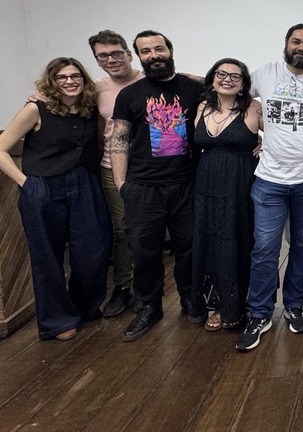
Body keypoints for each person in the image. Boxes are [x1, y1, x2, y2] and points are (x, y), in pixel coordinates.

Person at [238, 24, 303, 351]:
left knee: (301, 245)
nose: (301, 47)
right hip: (270, 180)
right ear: (286, 45)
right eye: (296, 42)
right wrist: (249, 134)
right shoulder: (265, 74)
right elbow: (234, 97)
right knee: (264, 247)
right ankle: (260, 313)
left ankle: (294, 306)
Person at [0, 58, 112, 340]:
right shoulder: (35, 108)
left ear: (83, 80)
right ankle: (58, 321)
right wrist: (25, 182)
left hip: (85, 183)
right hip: (44, 188)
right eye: (61, 78)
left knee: (94, 251)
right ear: (51, 82)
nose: (69, 82)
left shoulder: (88, 107)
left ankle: (84, 307)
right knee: (47, 257)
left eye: (75, 76)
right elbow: (1, 149)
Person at [111, 30, 204, 342]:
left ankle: (191, 298)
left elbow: (230, 104)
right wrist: (122, 183)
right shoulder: (129, 95)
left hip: (187, 184)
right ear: (139, 57)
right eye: (146, 51)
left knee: (189, 247)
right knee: (144, 250)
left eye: (158, 48)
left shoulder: (195, 88)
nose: (153, 55)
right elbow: (120, 139)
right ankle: (149, 305)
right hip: (143, 187)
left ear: (170, 49)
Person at [191, 59, 262, 332]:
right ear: (212, 78)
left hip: (240, 185)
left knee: (237, 242)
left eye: (236, 76)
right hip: (206, 186)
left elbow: (284, 136)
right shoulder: (201, 107)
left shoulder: (254, 108)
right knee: (209, 243)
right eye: (222, 74)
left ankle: (237, 305)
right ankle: (213, 303)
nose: (228, 79)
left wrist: (262, 145)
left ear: (244, 83)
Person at [89, 30, 145, 317]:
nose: (111, 59)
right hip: (112, 169)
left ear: (128, 54)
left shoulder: (150, 80)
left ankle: (149, 289)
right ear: (97, 60)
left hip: (150, 169)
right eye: (103, 55)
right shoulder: (94, 88)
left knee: (150, 231)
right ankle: (123, 287)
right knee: (123, 231)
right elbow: (62, 100)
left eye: (116, 53)